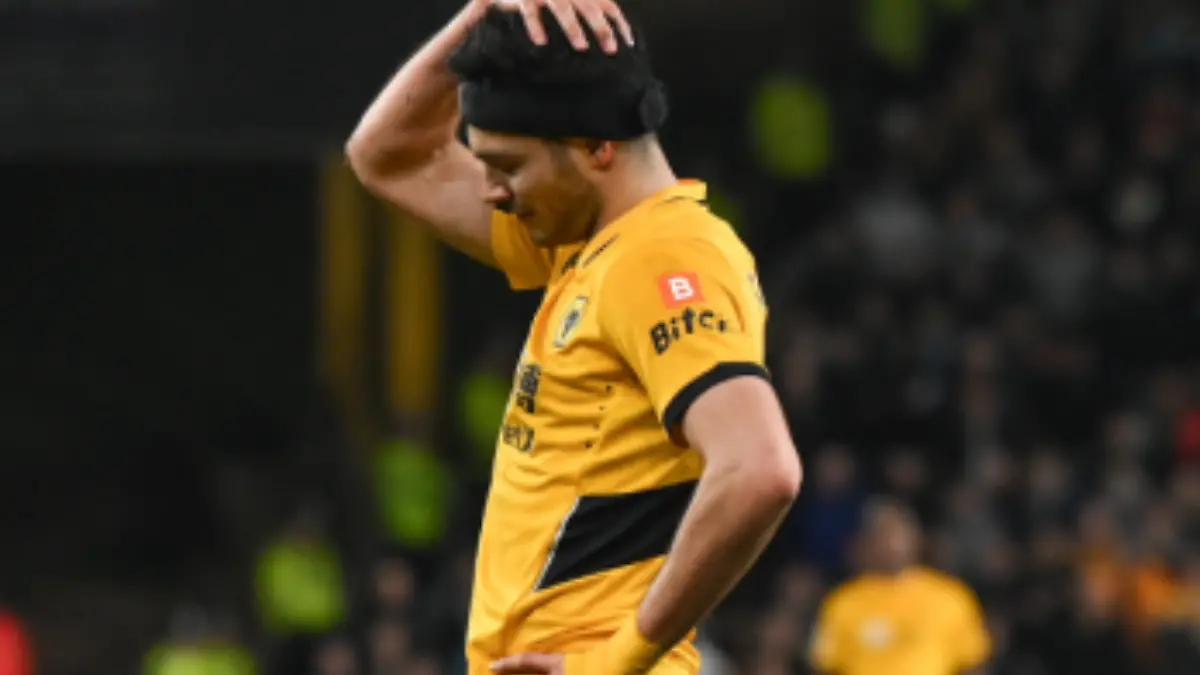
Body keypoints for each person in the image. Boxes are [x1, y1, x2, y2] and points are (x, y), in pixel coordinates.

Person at [345, 1, 803, 675]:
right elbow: (389, 155)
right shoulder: (587, 243)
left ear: (597, 148)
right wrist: (486, 14)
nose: (493, 191)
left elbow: (759, 470)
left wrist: (611, 663)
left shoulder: (663, 260)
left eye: (509, 166)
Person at [808, 500, 990, 675]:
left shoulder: (950, 597)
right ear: (868, 541)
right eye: (883, 534)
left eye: (898, 534)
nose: (892, 543)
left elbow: (972, 663)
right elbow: (825, 665)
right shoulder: (843, 602)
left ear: (916, 538)